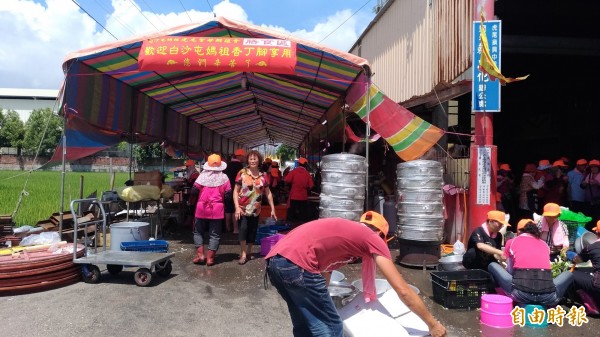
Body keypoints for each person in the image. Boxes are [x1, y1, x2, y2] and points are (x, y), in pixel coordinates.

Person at [265, 211, 447, 337]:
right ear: (379, 233)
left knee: (305, 324)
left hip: (275, 263)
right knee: (331, 326)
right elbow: (403, 291)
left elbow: (325, 274)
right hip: (297, 264)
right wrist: (432, 324)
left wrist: (323, 303)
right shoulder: (371, 238)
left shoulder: (349, 233)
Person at [487, 219, 574, 306]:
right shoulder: (545, 245)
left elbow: (510, 271)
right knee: (569, 274)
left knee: (492, 265)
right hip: (549, 297)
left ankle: (504, 299)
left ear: (520, 231)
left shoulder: (512, 242)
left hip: (520, 294)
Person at [233, 150, 276, 265]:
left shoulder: (263, 175)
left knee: (252, 231)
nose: (252, 161)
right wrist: (237, 207)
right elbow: (235, 191)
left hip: (256, 210)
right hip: (243, 208)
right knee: (243, 230)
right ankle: (243, 254)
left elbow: (268, 193)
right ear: (247, 160)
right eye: (250, 159)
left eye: (255, 159)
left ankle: (249, 251)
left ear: (259, 160)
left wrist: (273, 209)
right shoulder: (242, 173)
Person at [189, 154, 231, 266]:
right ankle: (210, 259)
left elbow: (193, 191)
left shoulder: (202, 177)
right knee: (215, 234)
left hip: (201, 208)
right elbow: (228, 196)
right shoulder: (224, 178)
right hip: (217, 209)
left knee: (198, 232)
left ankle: (200, 255)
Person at [569, 220, 600, 314]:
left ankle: (592, 305)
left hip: (598, 284)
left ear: (597, 232)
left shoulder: (592, 247)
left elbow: (578, 260)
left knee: (572, 274)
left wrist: (570, 255)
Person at [284, 157, 314, 225]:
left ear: (298, 164)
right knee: (302, 216)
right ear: (305, 165)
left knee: (292, 215)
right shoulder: (307, 174)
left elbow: (286, 180)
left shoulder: (293, 172)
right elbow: (311, 185)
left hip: (294, 196)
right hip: (303, 197)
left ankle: (291, 226)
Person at [223, 149, 246, 233]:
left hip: (226, 190)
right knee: (234, 209)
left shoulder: (227, 165)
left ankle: (227, 227)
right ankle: (236, 229)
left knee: (228, 209)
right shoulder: (240, 167)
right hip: (236, 190)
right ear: (239, 156)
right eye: (243, 156)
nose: (244, 158)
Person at [581, 159, 600, 230]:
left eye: (595, 167)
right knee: (589, 217)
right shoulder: (588, 175)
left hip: (598, 202)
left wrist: (597, 183)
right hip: (589, 201)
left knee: (597, 217)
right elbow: (582, 186)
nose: (593, 168)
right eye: (592, 167)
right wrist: (583, 184)